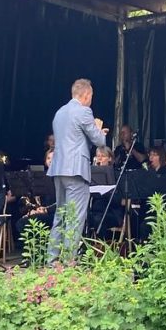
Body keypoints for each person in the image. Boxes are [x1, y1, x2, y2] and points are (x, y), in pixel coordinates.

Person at [47, 78, 107, 263]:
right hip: (76, 170)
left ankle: (52, 259)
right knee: (75, 216)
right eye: (91, 97)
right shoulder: (84, 111)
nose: (91, 100)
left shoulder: (60, 112)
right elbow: (100, 142)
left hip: (58, 168)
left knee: (61, 214)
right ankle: (68, 262)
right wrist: (98, 128)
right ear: (86, 94)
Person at [16, 148, 55, 238]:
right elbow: (36, 199)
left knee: (33, 221)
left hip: (54, 213)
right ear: (45, 161)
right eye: (48, 158)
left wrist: (46, 210)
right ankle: (34, 249)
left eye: (53, 158)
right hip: (42, 211)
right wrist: (33, 210)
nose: (50, 161)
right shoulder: (40, 178)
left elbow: (63, 200)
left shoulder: (61, 178)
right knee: (20, 223)